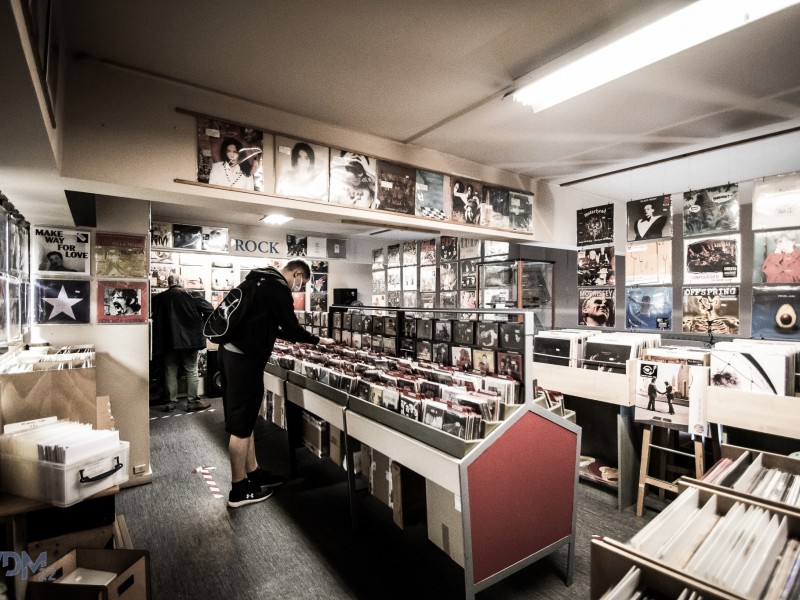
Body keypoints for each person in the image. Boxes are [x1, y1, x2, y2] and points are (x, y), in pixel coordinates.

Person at [218, 259, 334, 508]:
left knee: (245, 420)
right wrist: (318, 341)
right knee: (241, 425)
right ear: (298, 274)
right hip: (244, 360)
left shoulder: (256, 280)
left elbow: (270, 325)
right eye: (300, 282)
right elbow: (291, 329)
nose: (298, 287)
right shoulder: (278, 287)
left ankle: (254, 474)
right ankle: (238, 490)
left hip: (231, 353)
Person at [151, 274, 213, 412]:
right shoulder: (191, 295)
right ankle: (193, 402)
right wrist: (201, 324)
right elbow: (209, 309)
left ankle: (171, 403)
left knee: (170, 371)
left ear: (169, 283)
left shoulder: (159, 298)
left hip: (168, 341)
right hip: (190, 340)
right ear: (181, 283)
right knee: (191, 370)